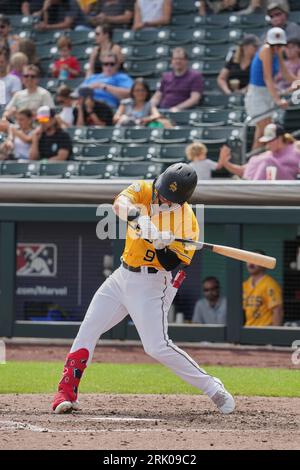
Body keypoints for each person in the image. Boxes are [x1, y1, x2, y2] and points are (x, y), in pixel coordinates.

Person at [51, 162, 235, 415]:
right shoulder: (145, 189)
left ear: (181, 200)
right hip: (121, 275)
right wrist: (140, 218)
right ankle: (66, 393)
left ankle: (213, 387)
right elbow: (119, 204)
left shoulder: (188, 221)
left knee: (156, 346)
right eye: (161, 193)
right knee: (88, 329)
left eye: (169, 199)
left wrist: (161, 245)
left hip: (150, 284)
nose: (161, 199)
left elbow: (173, 263)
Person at [244, 27, 297, 150]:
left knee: (262, 135)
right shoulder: (267, 50)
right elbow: (267, 77)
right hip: (257, 96)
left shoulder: (276, 52)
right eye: (275, 44)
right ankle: (254, 165)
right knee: (267, 134)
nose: (277, 47)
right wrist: (278, 100)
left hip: (266, 95)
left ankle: (252, 165)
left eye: (280, 44)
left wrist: (297, 81)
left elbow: (286, 74)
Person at [218, 123, 300, 180]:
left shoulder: (295, 148)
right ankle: (249, 186)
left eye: (270, 141)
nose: (268, 144)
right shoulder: (268, 154)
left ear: (280, 138)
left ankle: (253, 187)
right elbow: (243, 171)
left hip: (288, 184)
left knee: (267, 160)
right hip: (268, 187)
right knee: (255, 159)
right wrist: (226, 163)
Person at [151, 47, 204, 112]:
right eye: (175, 59)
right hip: (163, 110)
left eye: (181, 59)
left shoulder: (195, 76)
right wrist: (150, 107)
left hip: (183, 112)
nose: (178, 61)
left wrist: (177, 108)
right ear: (171, 61)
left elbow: (195, 99)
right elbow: (157, 96)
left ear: (186, 61)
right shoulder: (166, 76)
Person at [243, 252, 283, 326]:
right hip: (248, 330)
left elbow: (278, 311)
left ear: (264, 263)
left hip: (265, 331)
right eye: (249, 259)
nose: (251, 263)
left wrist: (274, 333)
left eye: (256, 259)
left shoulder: (270, 284)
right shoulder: (245, 285)